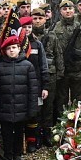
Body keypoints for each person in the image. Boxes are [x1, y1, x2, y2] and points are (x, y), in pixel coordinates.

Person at [0, 36, 39, 160]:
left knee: (19, 132)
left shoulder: (27, 66)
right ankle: (8, 158)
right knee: (6, 134)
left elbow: (33, 89)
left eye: (14, 48)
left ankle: (17, 155)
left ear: (19, 49)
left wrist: (32, 109)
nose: (11, 51)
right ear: (4, 51)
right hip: (5, 108)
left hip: (21, 107)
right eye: (8, 48)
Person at [31, 8, 62, 146]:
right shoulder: (28, 37)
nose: (37, 21)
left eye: (40, 18)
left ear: (45, 19)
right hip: (34, 77)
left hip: (50, 76)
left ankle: (47, 133)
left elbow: (58, 55)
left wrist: (60, 74)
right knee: (36, 107)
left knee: (48, 106)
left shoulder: (52, 36)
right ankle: (36, 134)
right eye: (35, 18)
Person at [18, 17, 49, 153]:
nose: (27, 30)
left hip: (35, 86)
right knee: (21, 115)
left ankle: (32, 141)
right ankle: (20, 142)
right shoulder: (16, 45)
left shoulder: (37, 44)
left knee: (34, 115)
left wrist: (45, 86)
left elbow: (43, 66)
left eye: (29, 27)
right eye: (24, 27)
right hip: (20, 86)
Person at [53, 0, 81, 109]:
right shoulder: (55, 28)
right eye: (64, 9)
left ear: (74, 10)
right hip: (62, 70)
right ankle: (61, 123)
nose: (68, 11)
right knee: (61, 99)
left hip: (78, 69)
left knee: (78, 99)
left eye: (70, 8)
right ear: (60, 11)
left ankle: (79, 121)